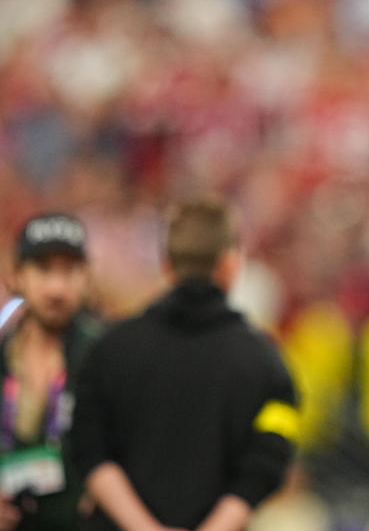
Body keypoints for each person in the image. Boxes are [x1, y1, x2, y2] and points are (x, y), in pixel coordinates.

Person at [71, 196, 298, 531]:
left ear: (167, 264)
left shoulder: (110, 349)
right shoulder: (266, 362)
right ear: (231, 263)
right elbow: (269, 459)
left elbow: (88, 449)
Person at [0, 213, 102, 531]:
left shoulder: (108, 358)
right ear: (16, 276)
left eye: (69, 271)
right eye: (44, 269)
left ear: (87, 277)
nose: (57, 287)